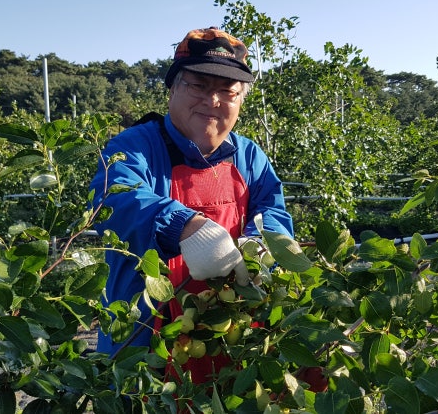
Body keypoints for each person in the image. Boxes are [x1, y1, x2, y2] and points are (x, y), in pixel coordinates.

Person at [89, 27, 293, 382]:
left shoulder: (249, 157)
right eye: (198, 85)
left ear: (240, 100)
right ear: (173, 88)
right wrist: (183, 224)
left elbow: (272, 210)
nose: (212, 101)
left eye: (226, 91)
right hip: (146, 349)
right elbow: (114, 202)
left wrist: (261, 244)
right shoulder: (135, 147)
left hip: (229, 344)